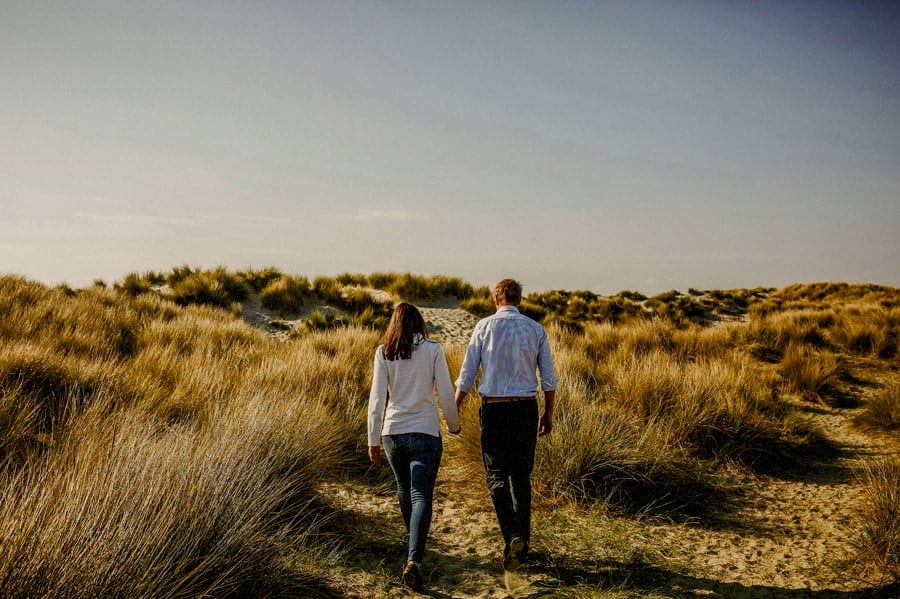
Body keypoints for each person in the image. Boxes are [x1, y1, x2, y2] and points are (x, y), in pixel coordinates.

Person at [454, 278, 557, 571]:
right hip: (525, 409)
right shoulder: (536, 329)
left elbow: (467, 374)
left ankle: (511, 535)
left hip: (495, 409)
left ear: (495, 300)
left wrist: (455, 407)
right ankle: (521, 544)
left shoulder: (483, 327)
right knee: (522, 477)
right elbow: (548, 378)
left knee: (496, 474)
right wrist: (547, 414)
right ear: (520, 300)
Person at [367, 302, 460, 591]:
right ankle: (414, 559)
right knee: (421, 494)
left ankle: (413, 547)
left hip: (393, 433)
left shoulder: (384, 352)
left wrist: (373, 438)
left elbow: (377, 400)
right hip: (424, 432)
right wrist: (454, 424)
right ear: (419, 321)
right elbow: (445, 391)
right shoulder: (432, 349)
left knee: (404, 490)